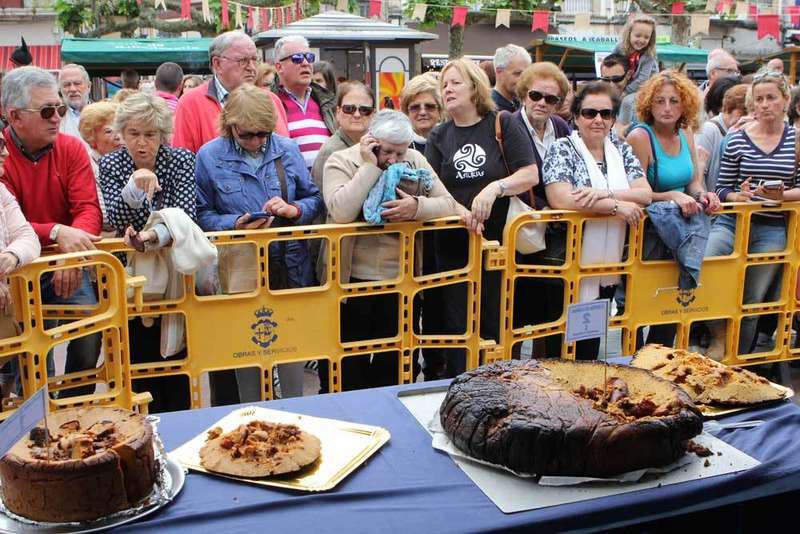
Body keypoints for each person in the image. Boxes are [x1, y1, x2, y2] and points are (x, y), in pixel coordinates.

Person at [196, 84, 322, 403]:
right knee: (245, 354)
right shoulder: (209, 156)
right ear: (230, 125)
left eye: (262, 134)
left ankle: (293, 414)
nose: (255, 141)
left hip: (288, 264)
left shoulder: (286, 148)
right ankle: (251, 416)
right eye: (247, 135)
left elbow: (314, 198)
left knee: (292, 350)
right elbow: (200, 214)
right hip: (240, 267)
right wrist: (234, 223)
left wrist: (294, 210)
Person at [324, 110, 463, 390]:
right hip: (350, 283)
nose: (395, 160)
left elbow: (448, 203)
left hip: (402, 281)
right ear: (371, 141)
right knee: (349, 369)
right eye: (387, 151)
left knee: (395, 369)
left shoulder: (415, 159)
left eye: (401, 152)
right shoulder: (340, 160)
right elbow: (340, 211)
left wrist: (417, 207)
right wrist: (370, 166)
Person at [425, 58, 538, 377]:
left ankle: (500, 386)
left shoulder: (502, 122)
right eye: (444, 85)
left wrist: (494, 188)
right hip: (453, 245)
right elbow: (431, 186)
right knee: (457, 325)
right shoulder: (439, 135)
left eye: (455, 82)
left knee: (496, 320)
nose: (447, 89)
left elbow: (529, 173)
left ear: (475, 86)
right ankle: (461, 386)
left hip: (498, 245)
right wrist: (460, 212)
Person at [1, 66, 102, 397]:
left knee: (91, 327)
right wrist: (58, 233)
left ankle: (75, 407)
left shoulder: (71, 148)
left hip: (64, 260)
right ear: (14, 116)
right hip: (16, 268)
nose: (58, 117)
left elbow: (88, 208)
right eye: (47, 111)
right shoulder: (2, 155)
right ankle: (38, 414)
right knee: (31, 354)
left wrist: (71, 254)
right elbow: (10, 223)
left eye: (59, 108)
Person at [98, 92, 195, 412]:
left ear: (162, 135)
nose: (142, 143)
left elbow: (185, 215)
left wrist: (152, 236)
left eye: (150, 134)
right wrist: (134, 189)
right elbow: (115, 218)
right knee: (137, 355)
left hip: (174, 273)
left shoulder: (180, 159)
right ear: (122, 133)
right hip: (130, 274)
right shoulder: (112, 163)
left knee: (176, 354)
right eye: (134, 133)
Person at [543, 81, 652, 358]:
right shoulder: (562, 148)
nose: (598, 120)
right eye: (590, 113)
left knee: (589, 345)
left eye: (606, 113)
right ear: (576, 116)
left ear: (614, 118)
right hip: (568, 260)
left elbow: (645, 194)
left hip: (609, 263)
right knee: (559, 345)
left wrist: (602, 194)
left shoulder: (621, 149)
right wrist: (616, 207)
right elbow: (561, 198)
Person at [704, 69, 800, 358]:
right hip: (731, 222)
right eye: (759, 99)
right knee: (707, 271)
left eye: (771, 97)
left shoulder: (796, 140)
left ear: (785, 100)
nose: (765, 104)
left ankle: (739, 360)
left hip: (772, 227)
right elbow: (722, 188)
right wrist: (739, 195)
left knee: (753, 299)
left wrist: (779, 196)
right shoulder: (736, 139)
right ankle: (718, 340)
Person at [626, 71, 720, 348]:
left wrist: (703, 196)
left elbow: (693, 181)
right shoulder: (640, 136)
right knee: (641, 306)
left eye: (674, 101)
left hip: (681, 229)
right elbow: (637, 192)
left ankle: (661, 364)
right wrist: (672, 196)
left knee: (672, 306)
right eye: (660, 101)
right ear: (649, 104)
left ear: (685, 104)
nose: (667, 108)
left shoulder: (685, 130)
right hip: (647, 232)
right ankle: (634, 363)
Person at [511, 61, 572, 357]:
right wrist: (550, 206)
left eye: (551, 99)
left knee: (551, 311)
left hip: (557, 235)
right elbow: (510, 173)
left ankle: (545, 370)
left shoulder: (561, 127)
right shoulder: (510, 124)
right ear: (524, 94)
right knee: (517, 312)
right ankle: (511, 373)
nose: (542, 103)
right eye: (536, 95)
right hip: (522, 231)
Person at [173, 31, 288, 153]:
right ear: (217, 64)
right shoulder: (190, 103)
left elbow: (285, 153)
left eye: (255, 59)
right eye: (242, 60)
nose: (252, 67)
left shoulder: (271, 100)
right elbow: (184, 160)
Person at [0, 126, 41, 399]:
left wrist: (12, 256)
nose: (5, 152)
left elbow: (28, 236)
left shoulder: (1, 191)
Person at [273, 35, 336, 169]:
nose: (305, 63)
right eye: (297, 58)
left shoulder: (326, 102)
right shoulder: (270, 102)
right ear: (279, 67)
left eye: (309, 57)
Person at [311, 81, 374, 200]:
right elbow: (320, 201)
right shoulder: (330, 151)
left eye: (365, 110)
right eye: (349, 109)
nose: (357, 115)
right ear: (338, 112)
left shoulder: (380, 145)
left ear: (373, 114)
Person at [78, 101, 122, 235]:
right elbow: (105, 216)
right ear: (91, 138)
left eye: (120, 129)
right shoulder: (86, 165)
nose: (118, 136)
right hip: (102, 237)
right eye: (109, 131)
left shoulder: (129, 160)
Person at [696, 82, 749, 193]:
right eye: (743, 112)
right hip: (712, 198)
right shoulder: (709, 129)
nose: (746, 117)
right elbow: (699, 173)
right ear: (730, 108)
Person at [612, 14, 658, 97]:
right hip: (623, 84)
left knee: (628, 101)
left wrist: (625, 92)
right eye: (637, 36)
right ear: (629, 33)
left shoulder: (649, 55)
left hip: (643, 88)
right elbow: (610, 64)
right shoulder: (619, 48)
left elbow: (643, 79)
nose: (641, 40)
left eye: (646, 37)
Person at [399, 73, 443, 153]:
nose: (422, 112)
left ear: (440, 111)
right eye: (415, 107)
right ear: (407, 112)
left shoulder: (450, 141)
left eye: (429, 106)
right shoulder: (398, 145)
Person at [600, 53, 638, 133]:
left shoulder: (636, 103)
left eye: (617, 79)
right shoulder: (597, 100)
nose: (611, 85)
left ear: (629, 75)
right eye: (606, 80)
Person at [491, 44, 531, 113]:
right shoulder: (489, 109)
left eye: (527, 74)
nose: (524, 80)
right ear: (499, 72)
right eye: (518, 73)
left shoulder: (521, 104)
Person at [58, 63, 92, 141]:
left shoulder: (104, 116)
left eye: (77, 84)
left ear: (89, 86)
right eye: (66, 85)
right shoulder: (54, 119)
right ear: (60, 89)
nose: (72, 89)